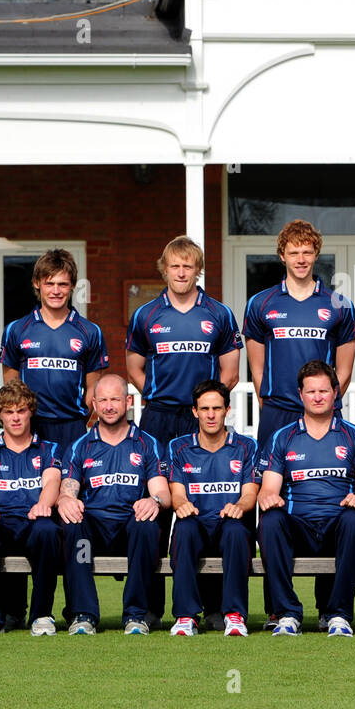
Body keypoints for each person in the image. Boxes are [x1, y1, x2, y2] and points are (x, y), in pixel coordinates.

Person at [243, 219, 355, 628]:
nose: (301, 258)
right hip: (277, 411)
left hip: (325, 411)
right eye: (293, 252)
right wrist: (273, 397)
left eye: (308, 251)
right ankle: (280, 608)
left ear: (316, 255)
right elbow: (256, 367)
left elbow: (344, 368)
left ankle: (331, 608)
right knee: (272, 503)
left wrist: (322, 402)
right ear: (282, 255)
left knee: (327, 497)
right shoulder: (260, 304)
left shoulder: (339, 305)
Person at [127, 235, 242, 628]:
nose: (181, 272)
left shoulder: (220, 313)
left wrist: (208, 404)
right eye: (174, 265)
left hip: (201, 416)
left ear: (198, 269)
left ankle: (212, 608)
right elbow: (134, 366)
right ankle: (150, 608)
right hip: (159, 418)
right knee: (156, 507)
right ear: (165, 269)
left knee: (206, 506)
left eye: (188, 266)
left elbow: (231, 369)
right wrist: (159, 397)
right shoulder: (146, 314)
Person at [255, 360, 355, 637]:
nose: (318, 397)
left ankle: (338, 615)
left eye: (324, 390)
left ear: (335, 392)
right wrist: (268, 499)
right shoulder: (282, 437)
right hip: (297, 526)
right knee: (270, 521)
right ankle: (288, 614)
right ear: (300, 394)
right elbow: (268, 489)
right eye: (311, 391)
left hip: (337, 525)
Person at [58, 374, 171, 635]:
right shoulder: (80, 446)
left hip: (130, 530)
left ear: (128, 401)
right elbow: (67, 489)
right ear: (94, 404)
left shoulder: (148, 444)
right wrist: (65, 500)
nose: (109, 406)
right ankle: (84, 614)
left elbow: (162, 492)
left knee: (147, 526)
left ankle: (136, 615)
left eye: (115, 400)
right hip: (93, 534)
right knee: (73, 525)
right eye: (103, 400)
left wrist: (153, 501)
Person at [0, 380, 64, 636]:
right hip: (1, 522)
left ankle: (42, 615)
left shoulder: (49, 449)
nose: (16, 417)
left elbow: (52, 480)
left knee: (47, 530)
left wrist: (44, 504)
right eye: (9, 412)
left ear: (30, 411)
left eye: (21, 410)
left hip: (33, 521)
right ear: (0, 415)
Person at [164, 380, 260, 637]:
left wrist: (240, 505)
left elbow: (250, 493)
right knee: (183, 529)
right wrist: (182, 505)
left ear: (227, 410)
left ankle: (234, 615)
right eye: (204, 409)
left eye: (217, 408)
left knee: (237, 532)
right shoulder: (178, 447)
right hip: (197, 522)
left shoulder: (245, 446)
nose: (210, 415)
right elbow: (176, 494)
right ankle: (186, 617)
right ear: (194, 411)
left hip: (228, 521)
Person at [0, 248, 108, 457]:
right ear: (37, 283)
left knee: (70, 487)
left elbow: (94, 385)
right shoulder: (16, 329)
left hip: (72, 427)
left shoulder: (90, 331)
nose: (56, 291)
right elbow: (11, 384)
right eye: (49, 283)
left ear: (72, 286)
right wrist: (22, 417)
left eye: (62, 284)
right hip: (31, 426)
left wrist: (79, 419)